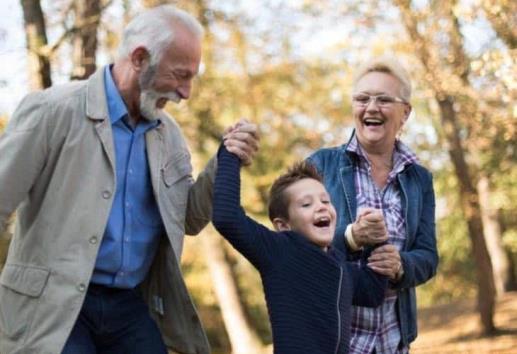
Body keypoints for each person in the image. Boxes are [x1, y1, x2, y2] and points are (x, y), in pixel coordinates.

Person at [0, 5, 259, 354]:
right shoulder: (52, 111)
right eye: (180, 75)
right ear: (139, 58)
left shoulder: (169, 136)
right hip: (54, 305)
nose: (186, 93)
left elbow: (188, 220)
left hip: (129, 306)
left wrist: (224, 161)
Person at [308, 56, 439, 353]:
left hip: (394, 343)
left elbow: (428, 257)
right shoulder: (320, 166)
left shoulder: (420, 180)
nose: (371, 108)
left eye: (383, 99)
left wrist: (401, 266)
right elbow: (293, 248)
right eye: (362, 99)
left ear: (405, 112)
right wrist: (351, 237)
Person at [212, 141, 388, 354]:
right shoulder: (280, 251)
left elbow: (372, 293)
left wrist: (376, 240)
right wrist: (231, 154)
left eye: (325, 200)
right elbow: (226, 217)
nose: (321, 206)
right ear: (283, 225)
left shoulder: (339, 264)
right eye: (306, 204)